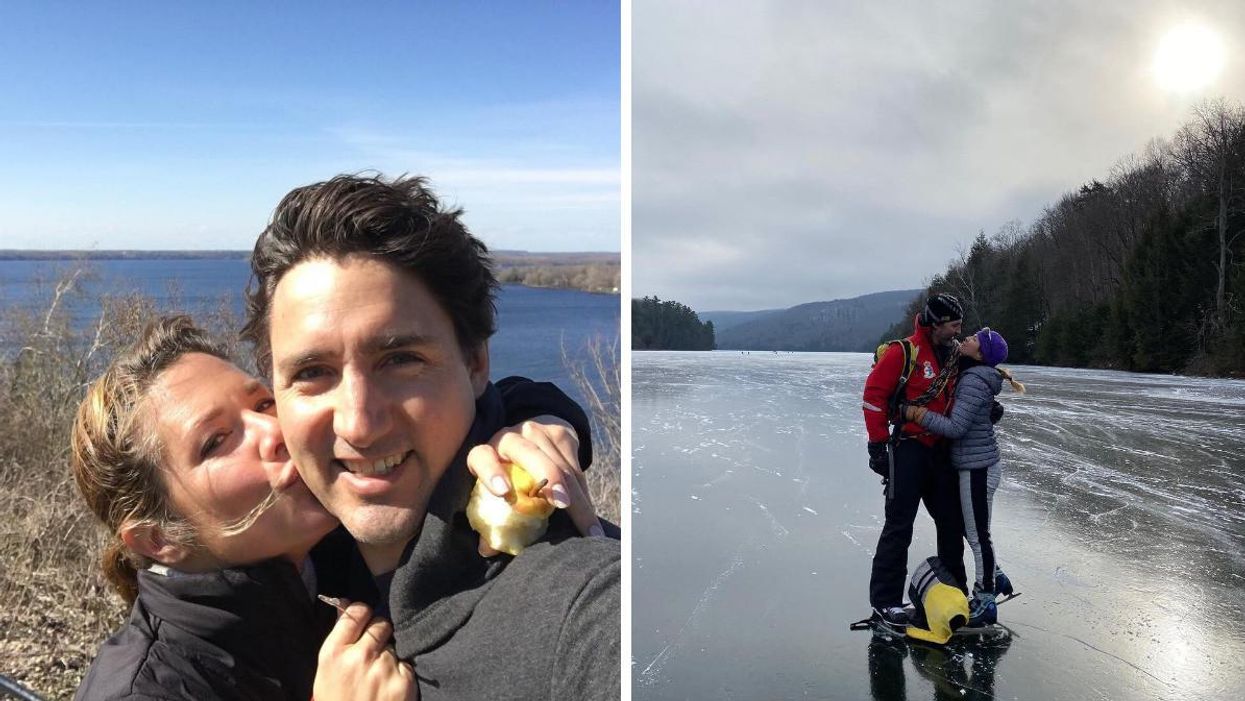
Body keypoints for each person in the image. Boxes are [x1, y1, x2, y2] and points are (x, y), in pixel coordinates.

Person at [70, 316, 599, 700]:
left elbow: (481, 401)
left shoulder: (333, 547)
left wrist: (543, 426)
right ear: (159, 540)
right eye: (215, 442)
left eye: (261, 403)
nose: (274, 431)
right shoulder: (151, 690)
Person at [241, 173, 620, 699]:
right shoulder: (290, 576)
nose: (358, 424)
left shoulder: (585, 606)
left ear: (475, 364)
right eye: (312, 373)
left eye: (401, 360)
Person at [906, 327, 1025, 626]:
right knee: (973, 529)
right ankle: (995, 576)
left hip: (978, 469)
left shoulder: (973, 381)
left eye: (973, 339)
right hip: (976, 465)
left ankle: (985, 598)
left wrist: (917, 414)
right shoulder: (974, 373)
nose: (967, 338)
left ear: (981, 354)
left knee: (977, 535)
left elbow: (956, 427)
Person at [861, 293, 966, 627]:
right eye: (952, 325)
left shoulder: (952, 354)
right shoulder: (902, 353)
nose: (957, 331)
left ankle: (955, 593)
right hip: (908, 451)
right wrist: (877, 446)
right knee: (899, 527)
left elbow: (962, 396)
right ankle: (885, 602)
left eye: (959, 325)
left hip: (941, 453)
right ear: (935, 324)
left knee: (952, 524)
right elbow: (873, 398)